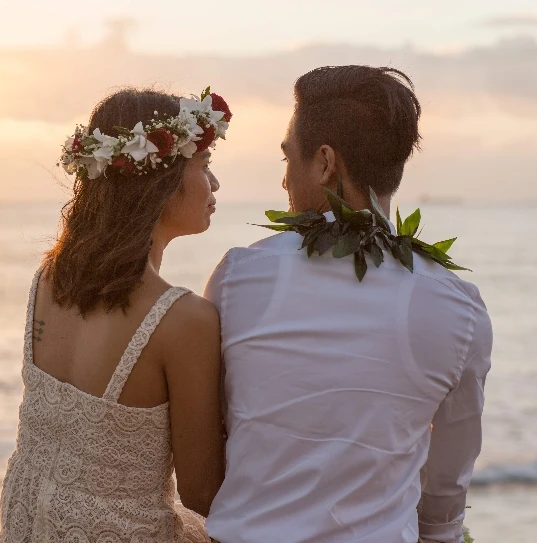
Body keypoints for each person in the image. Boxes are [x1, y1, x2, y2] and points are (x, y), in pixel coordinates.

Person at [204, 66, 492, 543]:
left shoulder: (240, 277)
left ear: (324, 162)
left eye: (287, 159)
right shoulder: (457, 307)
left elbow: (214, 434)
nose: (284, 182)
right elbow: (447, 487)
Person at [0, 87, 231, 542]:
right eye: (203, 166)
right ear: (160, 182)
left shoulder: (48, 279)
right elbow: (203, 493)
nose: (215, 184)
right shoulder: (183, 320)